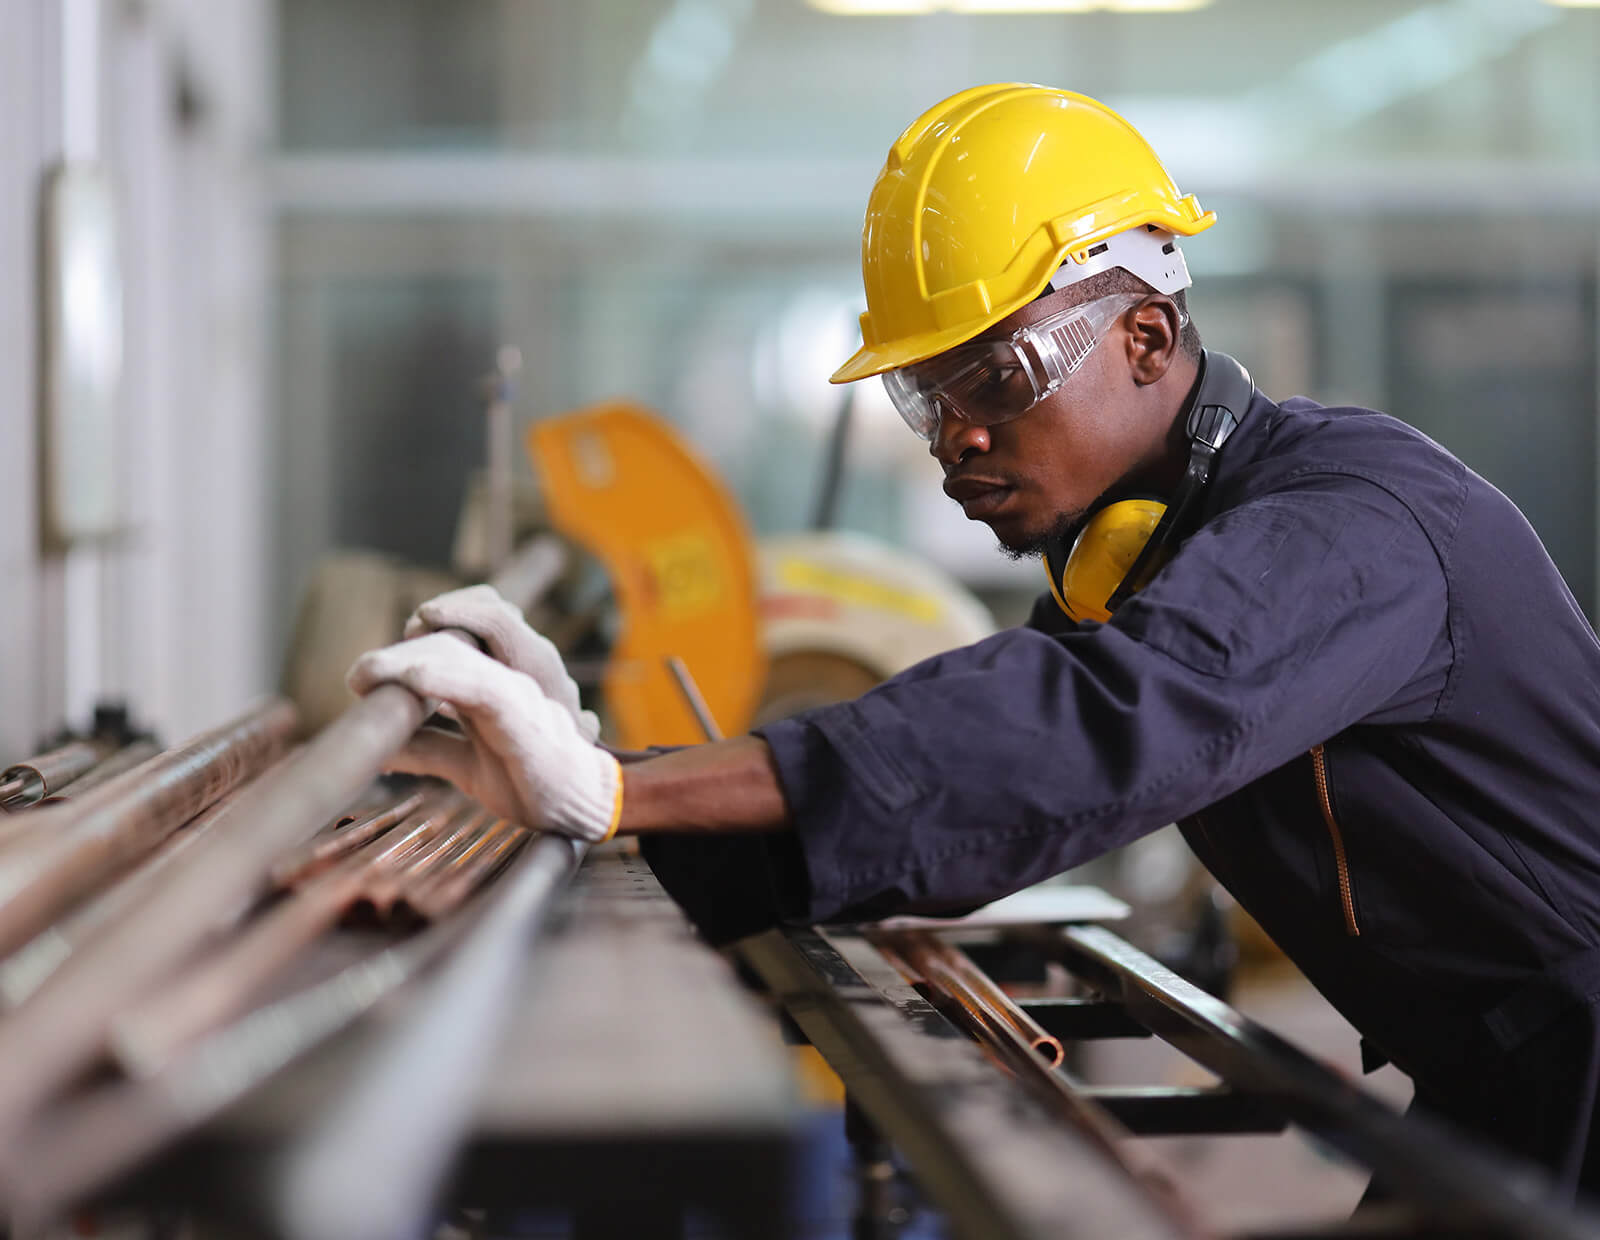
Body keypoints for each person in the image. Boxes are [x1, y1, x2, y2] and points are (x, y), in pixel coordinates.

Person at [347, 84, 1600, 1197]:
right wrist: (614, 786)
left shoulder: (1351, 526)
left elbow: (1085, 728)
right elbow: (975, 803)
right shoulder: (1147, 545)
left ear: (1147, 340)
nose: (956, 438)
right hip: (1502, 1080)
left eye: (995, 379)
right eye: (927, 397)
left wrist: (621, 789)